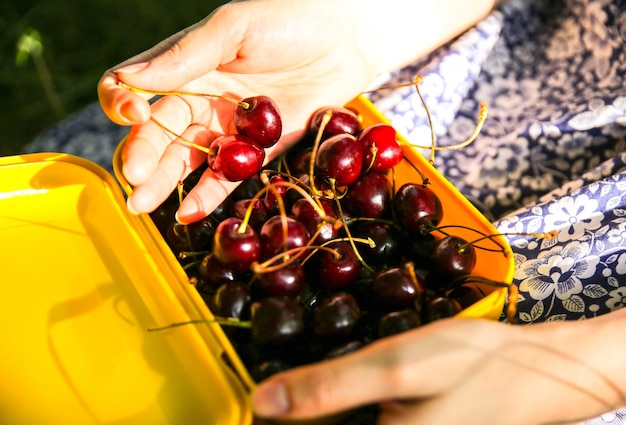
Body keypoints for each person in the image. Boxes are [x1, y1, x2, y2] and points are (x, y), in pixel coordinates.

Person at [32, 0, 626, 423]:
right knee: (123, 208)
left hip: (587, 328)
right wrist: (353, 28)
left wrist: (591, 369)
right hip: (450, 66)